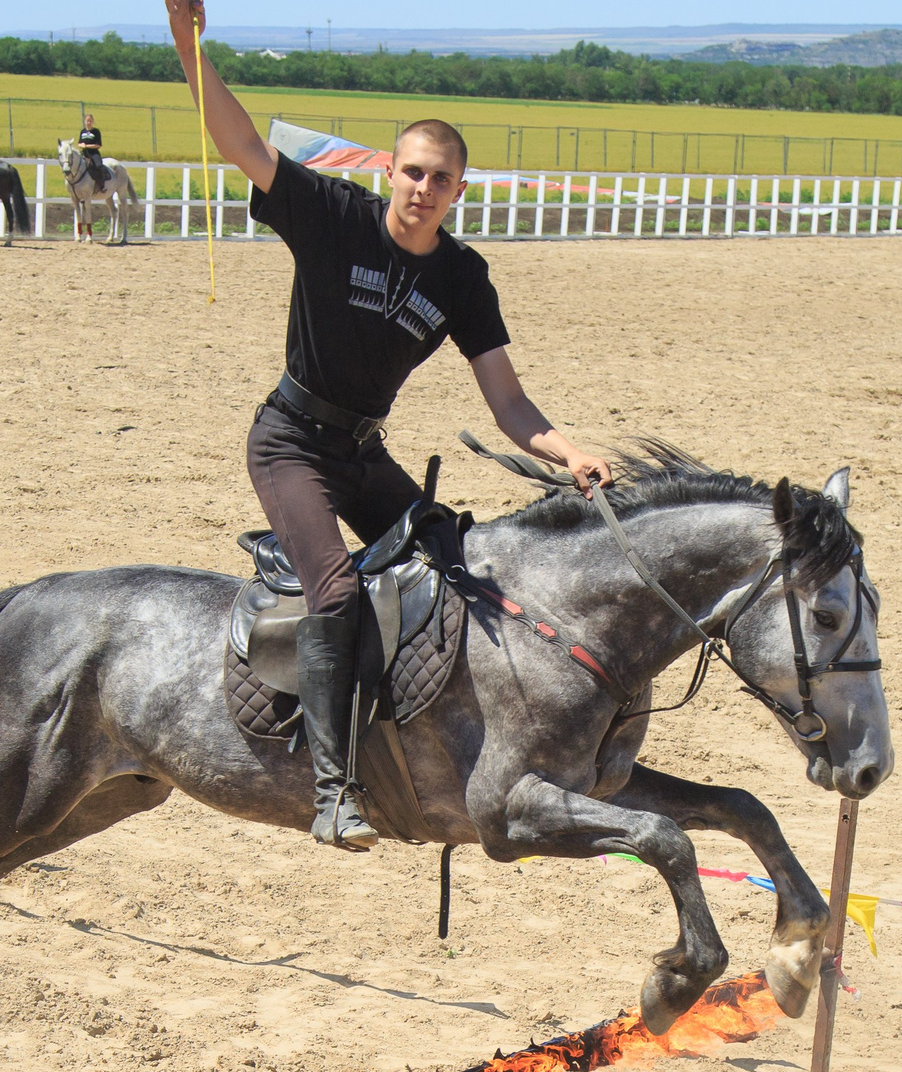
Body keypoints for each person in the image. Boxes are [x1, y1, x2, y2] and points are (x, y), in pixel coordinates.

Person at [164, 0, 615, 852]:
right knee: (335, 594)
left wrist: (569, 452)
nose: (422, 189)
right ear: (391, 170)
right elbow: (243, 145)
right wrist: (190, 47)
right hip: (291, 442)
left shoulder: (463, 278)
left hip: (362, 452)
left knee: (455, 561)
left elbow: (509, 402)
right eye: (412, 172)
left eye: (440, 180)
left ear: (458, 191)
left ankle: (420, 739)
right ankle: (334, 790)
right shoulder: (335, 216)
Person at [75, 109, 109, 190]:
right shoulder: (82, 131)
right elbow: (79, 143)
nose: (89, 123)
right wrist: (82, 145)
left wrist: (87, 146)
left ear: (93, 122)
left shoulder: (96, 131)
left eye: (90, 121)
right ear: (85, 121)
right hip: (84, 153)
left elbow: (98, 145)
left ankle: (102, 183)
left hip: (93, 153)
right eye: (87, 121)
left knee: (99, 165)